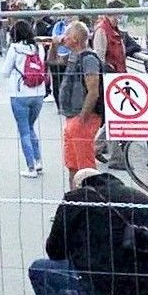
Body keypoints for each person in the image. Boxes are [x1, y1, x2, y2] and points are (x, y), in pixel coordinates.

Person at [54, 21, 103, 189]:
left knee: (86, 167)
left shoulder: (88, 59)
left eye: (66, 35)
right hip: (73, 117)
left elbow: (93, 90)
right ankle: (74, 203)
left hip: (81, 118)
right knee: (73, 164)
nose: (63, 38)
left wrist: (82, 118)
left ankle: (90, 205)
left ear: (74, 38)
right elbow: (52, 62)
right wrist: (54, 45)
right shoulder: (74, 56)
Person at [0, 20, 47, 178]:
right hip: (39, 92)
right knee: (31, 127)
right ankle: (38, 160)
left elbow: (5, 71)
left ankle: (31, 167)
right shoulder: (38, 48)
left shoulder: (14, 48)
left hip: (20, 93)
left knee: (24, 131)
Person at [92, 0, 128, 169]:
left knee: (117, 116)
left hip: (118, 78)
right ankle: (116, 157)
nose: (121, 17)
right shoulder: (103, 30)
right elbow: (99, 57)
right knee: (115, 117)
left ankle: (96, 147)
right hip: (111, 79)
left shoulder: (113, 30)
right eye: (120, 14)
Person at [48, 4, 73, 106]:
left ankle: (68, 103)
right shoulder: (58, 25)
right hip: (58, 55)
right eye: (66, 15)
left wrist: (62, 39)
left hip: (71, 57)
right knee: (57, 82)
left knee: (69, 82)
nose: (68, 17)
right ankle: (60, 105)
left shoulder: (75, 26)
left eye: (70, 16)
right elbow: (55, 39)